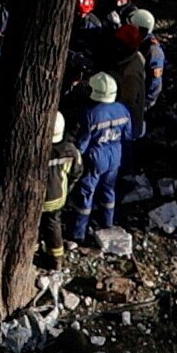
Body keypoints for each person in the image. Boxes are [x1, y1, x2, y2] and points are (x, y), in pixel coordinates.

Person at [70, 71, 134, 244]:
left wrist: (77, 156)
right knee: (108, 190)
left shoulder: (91, 113)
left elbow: (83, 142)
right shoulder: (123, 110)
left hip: (96, 157)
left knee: (86, 192)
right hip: (116, 156)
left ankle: (78, 232)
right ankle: (107, 222)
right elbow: (128, 136)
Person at [38, 112, 78, 271]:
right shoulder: (70, 150)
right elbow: (77, 171)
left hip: (36, 200)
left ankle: (31, 253)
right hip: (57, 198)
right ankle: (56, 261)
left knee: (32, 227)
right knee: (53, 226)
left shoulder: (35, 150)